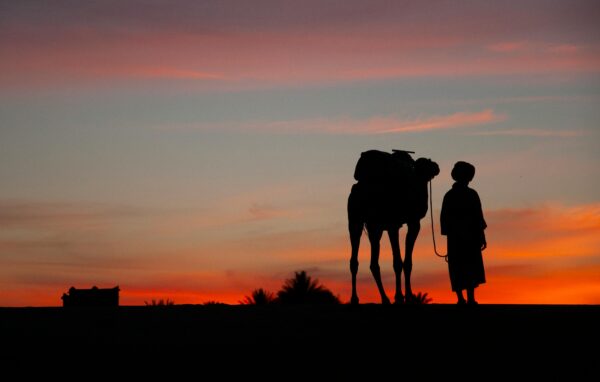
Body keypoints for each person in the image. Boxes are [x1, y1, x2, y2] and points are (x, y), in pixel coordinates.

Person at [440, 161, 487, 305]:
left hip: (457, 238)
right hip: (467, 237)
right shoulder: (471, 194)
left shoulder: (450, 195)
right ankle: (467, 298)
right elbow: (478, 217)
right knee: (467, 267)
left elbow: (444, 219)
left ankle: (463, 298)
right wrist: (481, 235)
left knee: (459, 267)